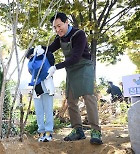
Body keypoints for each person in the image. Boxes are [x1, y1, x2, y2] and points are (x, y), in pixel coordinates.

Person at [36, 12, 103, 144]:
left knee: (88, 97)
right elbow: (50, 49)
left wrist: (56, 67)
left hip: (84, 66)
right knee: (71, 100)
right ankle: (77, 130)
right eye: (55, 27)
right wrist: (38, 49)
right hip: (71, 69)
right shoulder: (60, 38)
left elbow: (76, 57)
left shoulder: (79, 35)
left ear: (67, 22)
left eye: (59, 26)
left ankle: (96, 131)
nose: (57, 29)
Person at [26, 46, 55, 142]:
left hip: (46, 83)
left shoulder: (45, 56)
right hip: (36, 84)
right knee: (39, 110)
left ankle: (48, 132)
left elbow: (51, 65)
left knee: (48, 109)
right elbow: (31, 71)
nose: (31, 60)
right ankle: (41, 132)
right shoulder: (32, 64)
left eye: (31, 57)